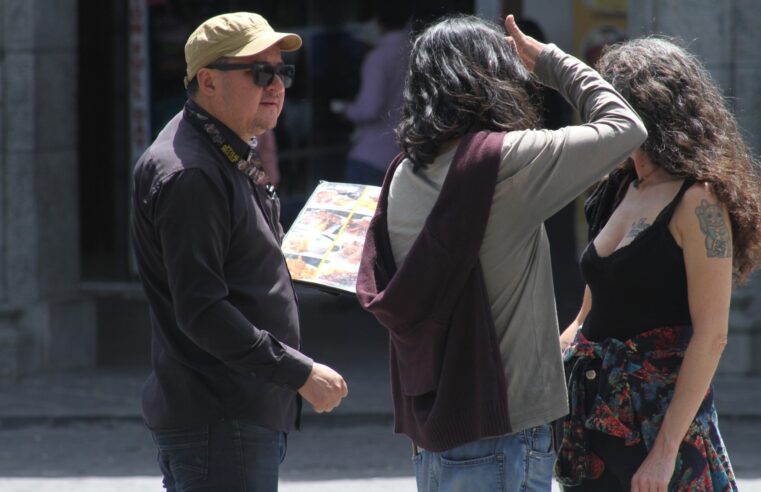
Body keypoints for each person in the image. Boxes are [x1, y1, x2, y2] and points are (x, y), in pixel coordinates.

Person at [356, 14, 647, 491]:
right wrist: (552, 62)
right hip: (502, 430)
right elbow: (625, 127)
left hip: (435, 430)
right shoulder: (505, 163)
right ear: (488, 78)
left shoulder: (403, 174)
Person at [131, 12, 348, 491]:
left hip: (232, 414)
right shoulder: (192, 172)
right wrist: (300, 373)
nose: (276, 85)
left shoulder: (223, 148)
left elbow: (233, 266)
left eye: (282, 72)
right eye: (259, 72)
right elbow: (203, 310)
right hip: (220, 416)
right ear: (207, 80)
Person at [556, 37, 761, 491]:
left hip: (659, 430)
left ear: (646, 110)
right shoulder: (614, 188)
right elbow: (588, 314)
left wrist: (666, 452)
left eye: (607, 104)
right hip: (592, 425)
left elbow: (713, 336)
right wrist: (538, 372)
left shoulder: (700, 200)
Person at [331, 3, 411, 185]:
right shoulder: (414, 51)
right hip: (404, 154)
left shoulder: (378, 57)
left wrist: (346, 111)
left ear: (377, 22)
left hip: (372, 156)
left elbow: (370, 109)